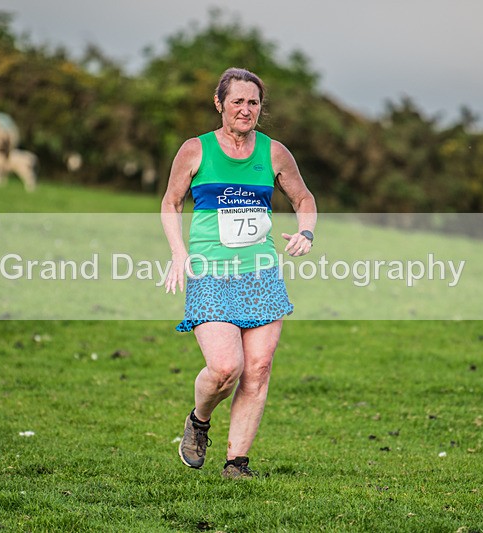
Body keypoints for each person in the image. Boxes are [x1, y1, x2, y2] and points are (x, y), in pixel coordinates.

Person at [161, 67, 317, 479]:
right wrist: (178, 252)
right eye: (237, 102)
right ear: (219, 103)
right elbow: (171, 202)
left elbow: (303, 198)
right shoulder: (195, 150)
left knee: (258, 368)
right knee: (226, 367)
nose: (245, 110)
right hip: (210, 272)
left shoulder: (274, 153)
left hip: (261, 273)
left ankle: (236, 463)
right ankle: (199, 420)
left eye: (253, 102)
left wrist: (306, 232)